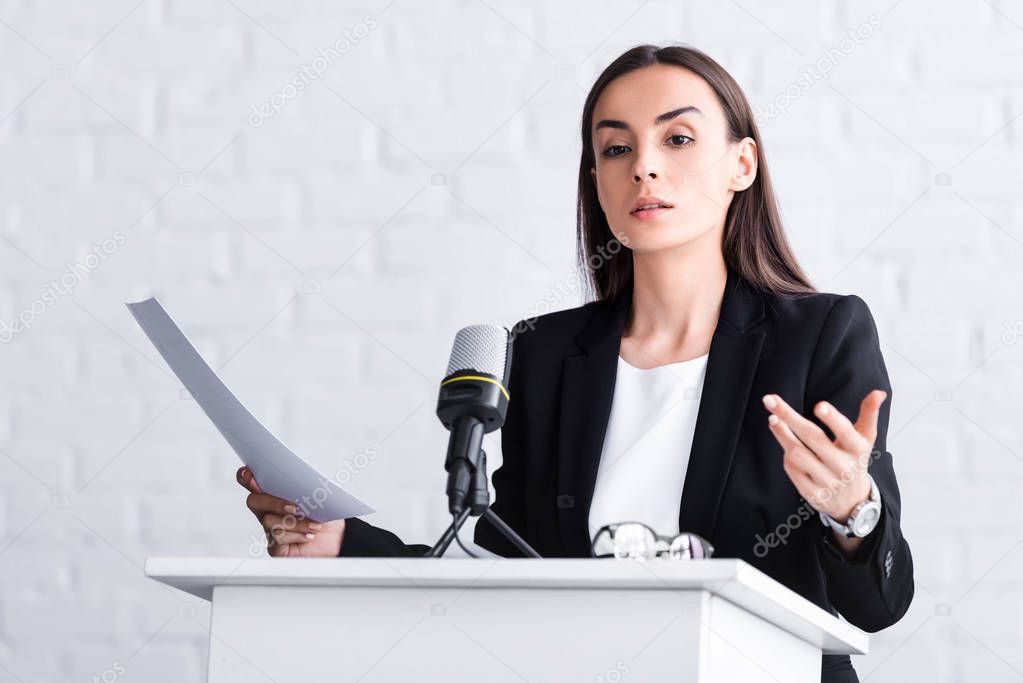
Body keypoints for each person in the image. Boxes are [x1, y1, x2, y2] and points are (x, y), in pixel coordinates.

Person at [236, 44, 914, 683]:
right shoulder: (543, 354)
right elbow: (505, 574)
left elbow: (878, 605)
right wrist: (342, 542)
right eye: (615, 148)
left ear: (742, 164)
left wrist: (852, 510)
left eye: (677, 139)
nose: (642, 166)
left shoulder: (820, 335)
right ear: (597, 179)